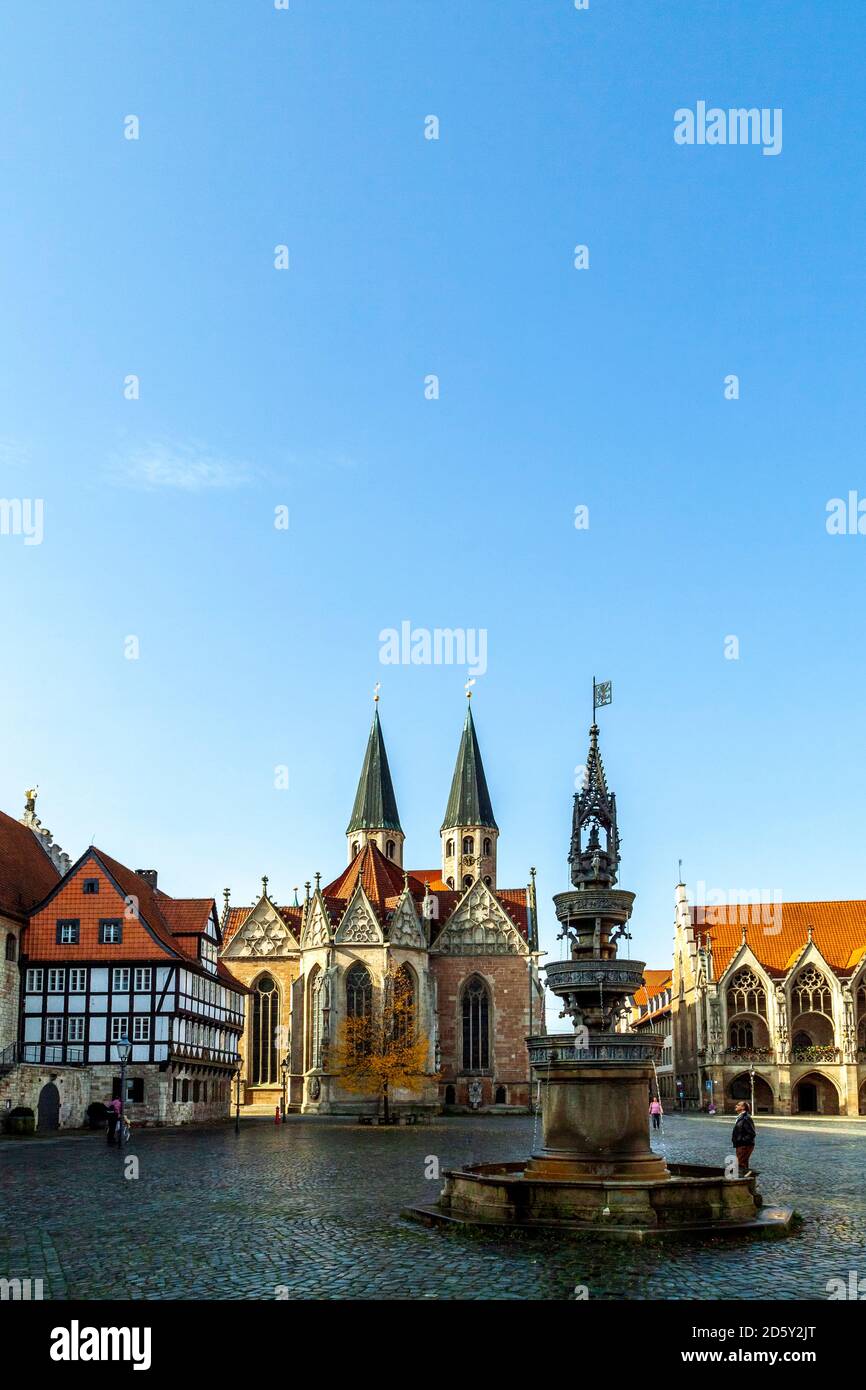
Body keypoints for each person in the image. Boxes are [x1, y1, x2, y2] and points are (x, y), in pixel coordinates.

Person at [731, 1100, 756, 1176]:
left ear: (743, 1107)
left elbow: (751, 1133)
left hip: (744, 1145)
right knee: (743, 1164)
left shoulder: (746, 1118)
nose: (736, 1106)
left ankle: (741, 1183)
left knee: (740, 1165)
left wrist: (742, 1141)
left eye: (738, 1105)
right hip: (740, 1145)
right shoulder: (741, 1117)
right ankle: (746, 1182)